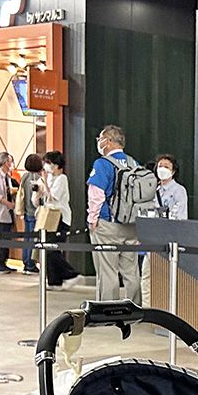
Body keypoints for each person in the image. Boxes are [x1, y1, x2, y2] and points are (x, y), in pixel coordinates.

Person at [86, 124, 140, 302]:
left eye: (100, 139)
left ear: (107, 141)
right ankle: (135, 307)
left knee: (107, 271)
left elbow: (96, 194)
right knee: (131, 271)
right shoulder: (133, 163)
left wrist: (93, 219)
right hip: (131, 225)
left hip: (108, 224)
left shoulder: (102, 164)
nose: (99, 142)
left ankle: (108, 309)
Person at [34, 150, 80, 290]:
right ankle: (54, 282)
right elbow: (41, 199)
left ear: (56, 164)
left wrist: (45, 185)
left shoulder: (62, 179)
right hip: (47, 217)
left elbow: (53, 196)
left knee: (52, 249)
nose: (46, 166)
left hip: (60, 217)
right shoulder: (48, 178)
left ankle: (70, 274)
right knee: (47, 249)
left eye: (49, 163)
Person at [18, 152, 44, 273]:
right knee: (33, 239)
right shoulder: (38, 179)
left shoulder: (24, 177)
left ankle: (26, 262)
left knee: (27, 238)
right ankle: (31, 263)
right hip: (35, 212)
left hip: (26, 211)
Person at [155, 153, 188, 221]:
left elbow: (181, 216)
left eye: (166, 167)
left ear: (173, 172)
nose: (162, 169)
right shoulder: (153, 189)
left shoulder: (179, 190)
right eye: (160, 166)